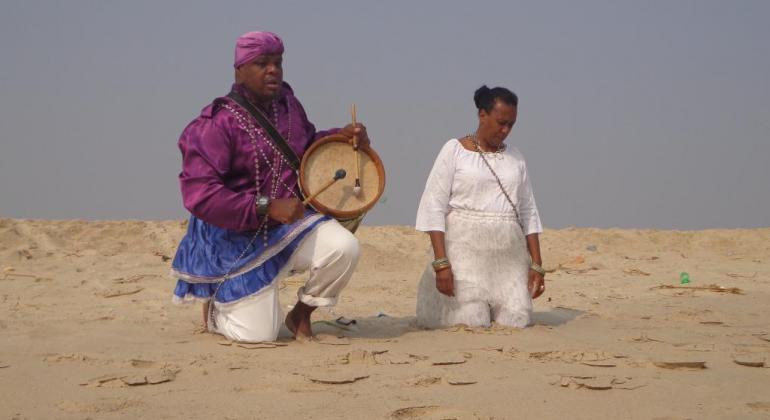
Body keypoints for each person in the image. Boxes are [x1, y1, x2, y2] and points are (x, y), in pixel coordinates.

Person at [170, 31, 370, 342]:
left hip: (286, 224)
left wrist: (340, 138)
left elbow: (305, 151)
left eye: (277, 62)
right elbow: (201, 195)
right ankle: (216, 309)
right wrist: (266, 207)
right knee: (258, 336)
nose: (273, 70)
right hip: (234, 234)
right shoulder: (217, 123)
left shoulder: (289, 106)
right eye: (262, 63)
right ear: (239, 70)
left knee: (344, 248)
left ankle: (300, 315)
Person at [414, 85, 545, 328]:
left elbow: (528, 211)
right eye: (501, 122)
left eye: (511, 125)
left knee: (516, 320)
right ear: (482, 115)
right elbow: (434, 206)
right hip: (464, 254)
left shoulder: (516, 157)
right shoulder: (454, 150)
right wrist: (441, 264)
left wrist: (537, 265)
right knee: (473, 320)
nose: (505, 130)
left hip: (508, 257)